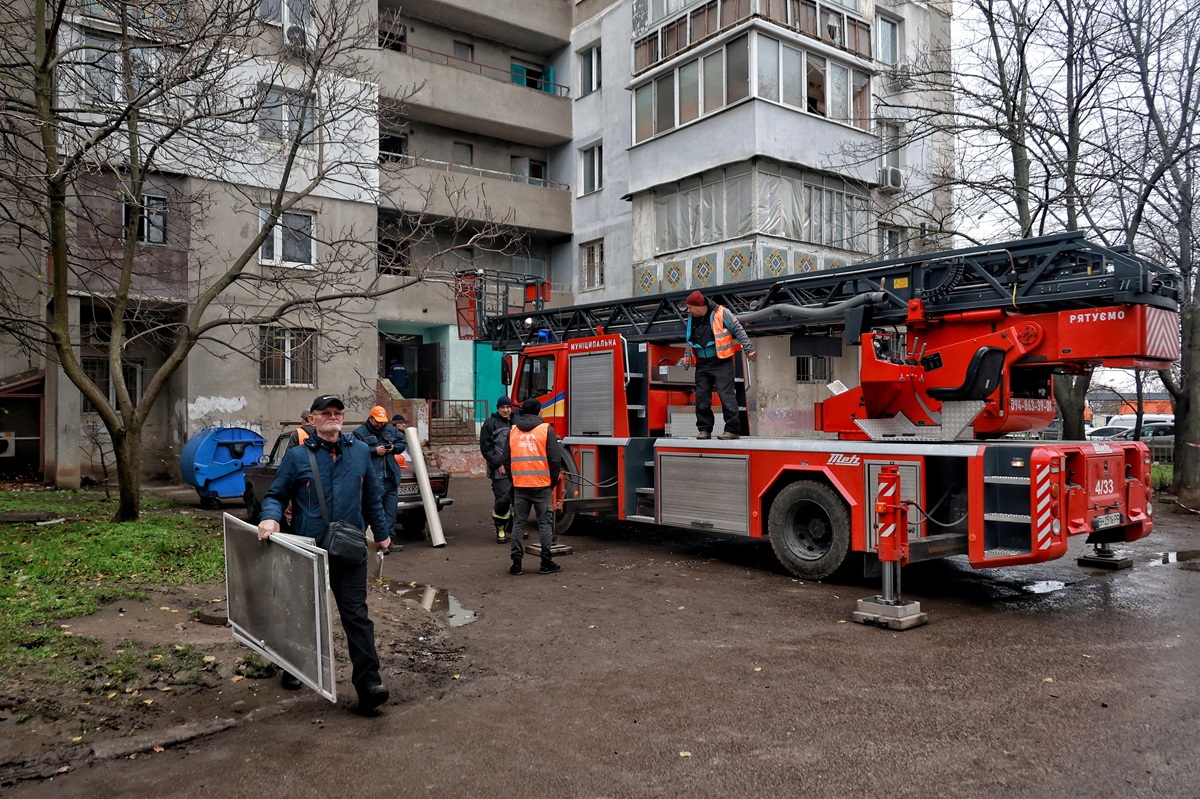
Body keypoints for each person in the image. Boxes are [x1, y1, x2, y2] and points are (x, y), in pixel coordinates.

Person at [257, 395, 392, 715]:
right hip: (308, 550)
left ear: (342, 418)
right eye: (325, 413)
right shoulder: (297, 457)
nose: (333, 417)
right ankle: (294, 666)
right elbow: (275, 495)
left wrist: (382, 534)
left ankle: (369, 685)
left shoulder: (360, 452)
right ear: (313, 419)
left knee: (357, 617)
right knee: (302, 612)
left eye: (337, 413)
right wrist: (271, 517)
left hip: (349, 550)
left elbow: (372, 498)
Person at [496, 398, 563, 575]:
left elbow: (506, 460)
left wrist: (514, 480)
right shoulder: (545, 429)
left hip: (520, 486)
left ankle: (516, 564)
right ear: (539, 411)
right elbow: (555, 460)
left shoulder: (513, 430)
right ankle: (546, 563)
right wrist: (552, 482)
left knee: (519, 524)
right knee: (545, 524)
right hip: (542, 486)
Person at [683, 290, 757, 440]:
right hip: (703, 363)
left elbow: (738, 329)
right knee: (701, 398)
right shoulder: (693, 318)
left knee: (726, 396)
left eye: (690, 308)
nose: (688, 311)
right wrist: (687, 354)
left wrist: (749, 349)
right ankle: (704, 429)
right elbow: (690, 338)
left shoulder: (722, 313)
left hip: (721, 361)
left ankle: (732, 430)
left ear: (699, 306)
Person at [353, 406, 405, 538]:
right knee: (369, 514)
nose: (380, 424)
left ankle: (388, 542)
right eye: (377, 421)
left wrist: (393, 448)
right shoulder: (360, 433)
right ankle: (363, 541)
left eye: (383, 421)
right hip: (372, 481)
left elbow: (402, 441)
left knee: (390, 514)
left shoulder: (390, 430)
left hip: (390, 480)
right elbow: (354, 451)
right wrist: (374, 451)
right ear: (370, 418)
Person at [479, 396, 515, 544]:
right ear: (498, 408)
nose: (505, 410)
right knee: (502, 500)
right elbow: (486, 448)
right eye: (502, 407)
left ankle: (514, 526)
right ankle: (500, 528)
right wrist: (499, 464)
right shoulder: (490, 424)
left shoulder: (516, 422)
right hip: (500, 471)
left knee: (518, 500)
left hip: (517, 469)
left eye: (508, 407)